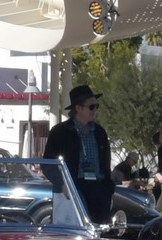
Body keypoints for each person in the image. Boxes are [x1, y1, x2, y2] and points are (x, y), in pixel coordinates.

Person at [44, 85, 115, 224]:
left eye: (96, 106)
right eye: (91, 107)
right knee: (73, 234)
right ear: (78, 108)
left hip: (98, 189)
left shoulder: (100, 132)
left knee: (98, 236)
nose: (95, 110)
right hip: (72, 189)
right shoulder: (60, 132)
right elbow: (48, 164)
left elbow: (106, 163)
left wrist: (108, 189)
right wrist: (62, 184)